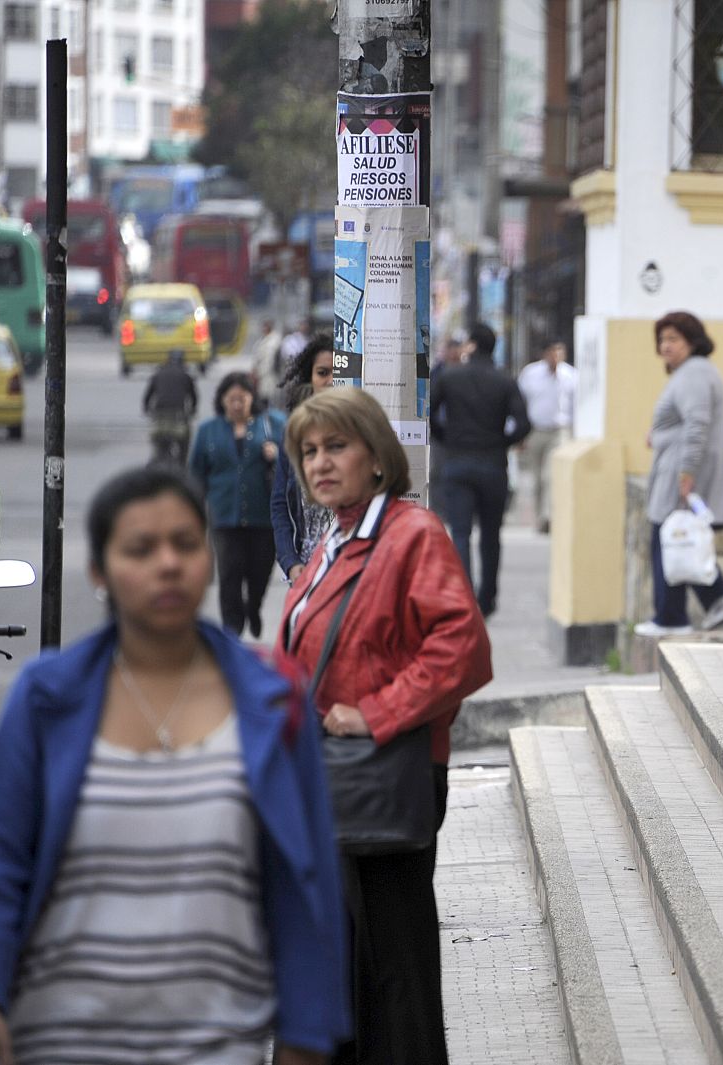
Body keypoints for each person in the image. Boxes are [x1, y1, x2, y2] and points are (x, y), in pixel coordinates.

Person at [0, 466, 348, 1065]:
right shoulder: (49, 698)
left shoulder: (271, 698)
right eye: (140, 548)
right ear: (100, 571)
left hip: (219, 1042)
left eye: (185, 543)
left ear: (207, 559)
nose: (167, 563)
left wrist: (307, 1036)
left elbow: (305, 879)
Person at [279, 387, 491, 1065]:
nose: (320, 462)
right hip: (332, 778)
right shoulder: (334, 541)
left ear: (378, 456)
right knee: (342, 967)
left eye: (336, 446)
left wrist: (375, 713)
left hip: (386, 774)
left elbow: (462, 646)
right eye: (308, 451)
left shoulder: (410, 533)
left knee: (394, 967)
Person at [635, 312, 723, 637]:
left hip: (678, 472)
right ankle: (713, 599)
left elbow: (697, 424)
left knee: (668, 537)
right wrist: (659, 435)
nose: (665, 346)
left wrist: (686, 473)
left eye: (673, 339)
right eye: (662, 339)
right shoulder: (692, 373)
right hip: (675, 467)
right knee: (679, 539)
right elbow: (683, 424)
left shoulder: (694, 373)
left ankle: (675, 615)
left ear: (692, 342)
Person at [429, 321, 530, 618]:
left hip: (457, 461)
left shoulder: (450, 377)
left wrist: (445, 437)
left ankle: (464, 596)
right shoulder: (505, 381)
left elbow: (430, 411)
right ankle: (487, 599)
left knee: (460, 531)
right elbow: (523, 424)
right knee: (490, 534)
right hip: (493, 465)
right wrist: (503, 442)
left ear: (471, 346)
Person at [190, 372, 282, 638]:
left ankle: (253, 607)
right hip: (224, 516)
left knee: (259, 573)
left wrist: (276, 454)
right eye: (232, 399)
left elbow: (294, 462)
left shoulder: (273, 425)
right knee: (229, 574)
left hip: (262, 516)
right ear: (222, 401)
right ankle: (232, 630)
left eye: (242, 398)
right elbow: (196, 474)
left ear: (252, 399)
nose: (237, 404)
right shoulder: (209, 431)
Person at [270, 335, 337, 580]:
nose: (330, 381)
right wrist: (290, 561)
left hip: (350, 570)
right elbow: (280, 504)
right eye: (322, 372)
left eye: (338, 373)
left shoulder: (361, 431)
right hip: (307, 570)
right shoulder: (295, 432)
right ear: (310, 378)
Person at [516, 339, 576, 534]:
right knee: (537, 477)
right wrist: (520, 433)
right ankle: (541, 515)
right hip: (536, 430)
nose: (555, 356)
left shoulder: (571, 376)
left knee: (549, 476)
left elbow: (576, 406)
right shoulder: (530, 374)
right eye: (552, 352)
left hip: (559, 431)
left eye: (559, 352)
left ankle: (548, 516)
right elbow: (520, 403)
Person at [143, 349, 198, 466]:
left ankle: (155, 463)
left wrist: (147, 409)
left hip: (159, 416)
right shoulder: (186, 375)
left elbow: (148, 395)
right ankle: (182, 466)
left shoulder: (158, 373)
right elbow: (193, 397)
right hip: (179, 415)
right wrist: (192, 411)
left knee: (158, 446)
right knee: (184, 442)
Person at [252, 316, 284, 402]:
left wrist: (261, 373)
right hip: (261, 375)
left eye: (266, 326)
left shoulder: (274, 341)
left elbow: (269, 361)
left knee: (270, 398)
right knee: (262, 398)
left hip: (270, 375)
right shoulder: (262, 340)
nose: (264, 328)